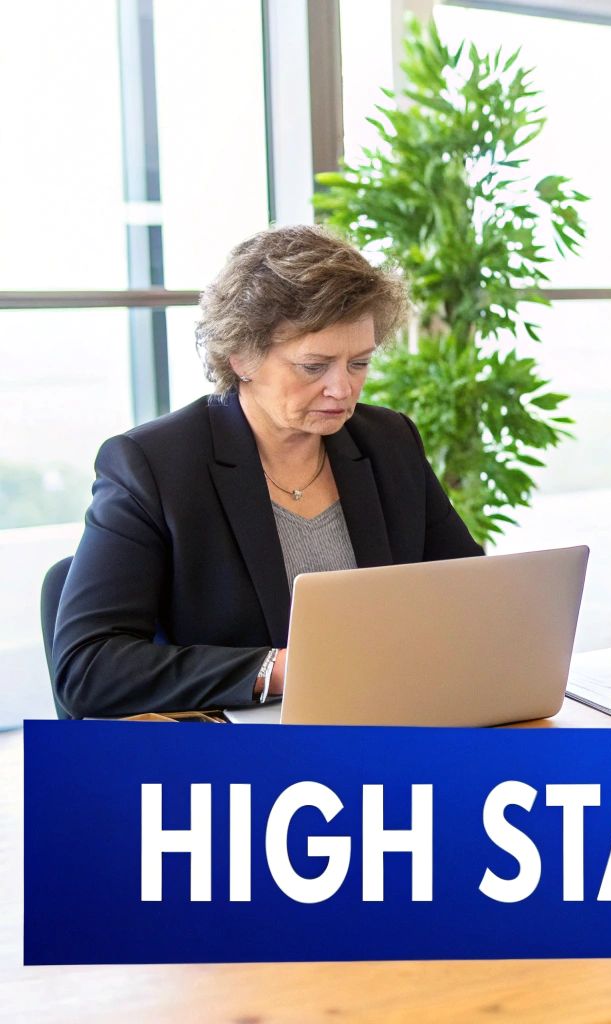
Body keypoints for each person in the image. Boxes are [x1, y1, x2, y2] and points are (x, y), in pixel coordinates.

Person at [52, 225, 482, 719]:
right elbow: (86, 667)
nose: (342, 389)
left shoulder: (389, 442)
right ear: (242, 357)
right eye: (314, 366)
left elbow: (469, 598)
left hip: (389, 719)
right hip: (247, 749)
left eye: (359, 363)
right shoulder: (153, 466)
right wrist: (275, 670)